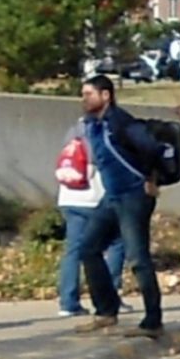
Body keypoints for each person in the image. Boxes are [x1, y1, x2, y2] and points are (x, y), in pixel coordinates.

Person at [71, 75, 165, 336]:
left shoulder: (121, 122)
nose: (84, 99)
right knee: (88, 248)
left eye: (89, 94)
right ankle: (106, 311)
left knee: (138, 258)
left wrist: (151, 179)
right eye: (83, 94)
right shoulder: (92, 124)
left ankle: (153, 321)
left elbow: (152, 149)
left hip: (133, 196)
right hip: (111, 197)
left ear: (105, 96)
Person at [53, 121, 126, 318]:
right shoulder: (105, 131)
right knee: (117, 243)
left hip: (68, 196)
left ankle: (68, 303)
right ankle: (110, 297)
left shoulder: (73, 131)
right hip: (94, 198)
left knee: (73, 250)